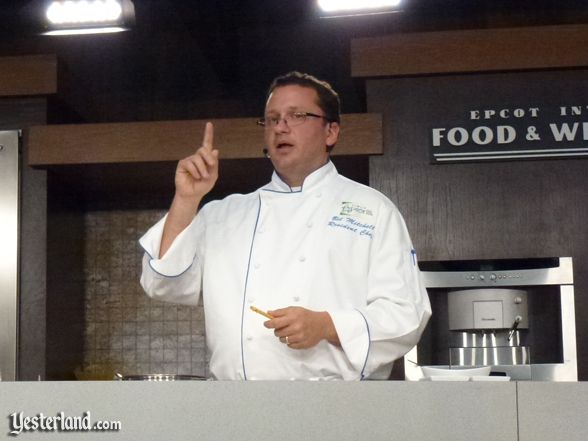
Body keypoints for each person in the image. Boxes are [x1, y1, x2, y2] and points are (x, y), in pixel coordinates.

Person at [139, 72, 431, 380]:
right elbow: (161, 284)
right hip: (234, 408)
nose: (281, 126)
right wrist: (186, 199)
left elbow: (406, 315)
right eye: (272, 118)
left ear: (331, 131)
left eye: (297, 116)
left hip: (334, 410)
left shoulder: (372, 210)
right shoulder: (224, 215)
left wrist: (326, 325)